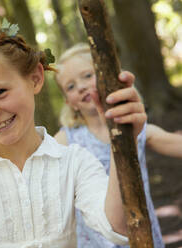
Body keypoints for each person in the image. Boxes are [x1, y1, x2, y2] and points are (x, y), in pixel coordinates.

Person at [0, 26, 146, 247]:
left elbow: (117, 228)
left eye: (0, 92)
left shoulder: (74, 163)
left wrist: (124, 140)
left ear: (35, 78)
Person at [54, 43, 182, 248]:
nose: (81, 86)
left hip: (143, 235)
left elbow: (173, 142)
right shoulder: (66, 140)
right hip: (96, 241)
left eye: (87, 76)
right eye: (70, 86)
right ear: (69, 102)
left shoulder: (134, 128)